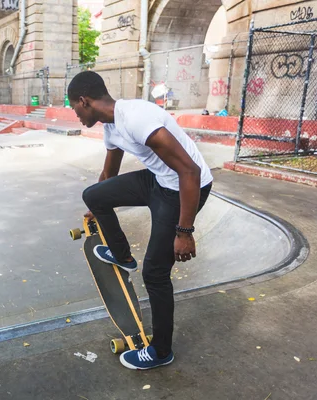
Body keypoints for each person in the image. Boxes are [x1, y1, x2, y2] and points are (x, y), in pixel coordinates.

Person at [68, 71, 213, 370]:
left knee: (156, 274)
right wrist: (98, 203)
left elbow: (191, 172)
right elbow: (109, 173)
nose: (76, 115)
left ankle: (161, 351)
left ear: (85, 101)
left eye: (74, 108)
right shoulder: (111, 126)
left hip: (184, 189)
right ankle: (122, 256)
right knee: (93, 193)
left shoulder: (137, 117)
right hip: (159, 180)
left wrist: (184, 232)